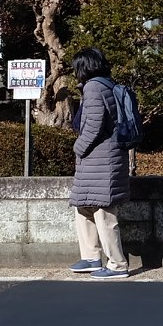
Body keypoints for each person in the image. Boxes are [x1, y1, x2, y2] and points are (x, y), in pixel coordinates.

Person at [69, 47, 132, 279]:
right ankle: (91, 257)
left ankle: (117, 264)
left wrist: (78, 147)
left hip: (101, 159)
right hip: (101, 159)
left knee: (104, 213)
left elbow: (94, 125)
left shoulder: (94, 87)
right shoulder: (106, 84)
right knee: (84, 206)